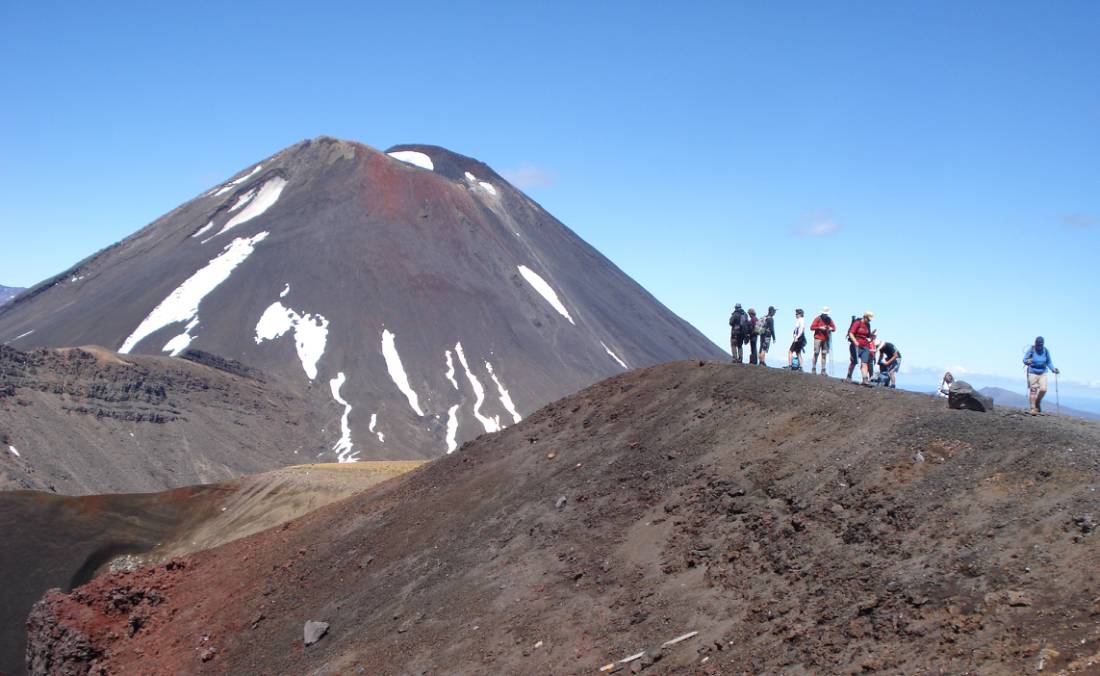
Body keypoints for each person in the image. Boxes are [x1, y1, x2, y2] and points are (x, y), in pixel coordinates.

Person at [1023, 336, 1059, 414]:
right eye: (1038, 344)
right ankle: (1033, 408)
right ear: (1035, 343)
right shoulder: (1031, 350)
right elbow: (1024, 359)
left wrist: (1053, 369)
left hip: (1043, 372)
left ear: (1043, 344)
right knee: (1033, 390)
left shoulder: (1045, 351)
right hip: (1032, 372)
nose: (1039, 346)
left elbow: (1049, 362)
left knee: (1043, 389)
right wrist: (1027, 361)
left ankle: (1038, 401)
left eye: (1040, 345)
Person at [847, 311, 875, 385]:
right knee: (854, 362)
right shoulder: (857, 323)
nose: (869, 321)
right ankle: (849, 376)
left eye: (870, 320)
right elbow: (851, 333)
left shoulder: (868, 325)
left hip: (865, 345)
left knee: (864, 363)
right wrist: (855, 342)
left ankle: (865, 379)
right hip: (855, 345)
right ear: (865, 317)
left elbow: (868, 336)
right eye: (868, 319)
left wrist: (872, 335)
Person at [809, 306, 837, 376]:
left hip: (826, 339)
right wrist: (819, 328)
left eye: (826, 314)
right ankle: (814, 368)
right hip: (818, 338)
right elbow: (811, 327)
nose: (825, 315)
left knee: (824, 354)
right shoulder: (818, 319)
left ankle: (823, 370)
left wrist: (830, 328)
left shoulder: (829, 319)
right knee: (816, 353)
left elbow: (834, 328)